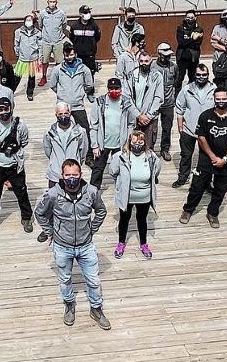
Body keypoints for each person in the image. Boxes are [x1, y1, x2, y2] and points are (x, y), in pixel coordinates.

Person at [34, 159, 110, 329]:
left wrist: (92, 229)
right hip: (62, 245)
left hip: (86, 244)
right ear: (62, 176)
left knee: (93, 280)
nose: (71, 178)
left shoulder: (91, 191)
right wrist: (50, 232)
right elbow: (39, 213)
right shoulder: (53, 194)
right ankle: (69, 305)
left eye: (74, 175)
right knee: (65, 279)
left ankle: (96, 308)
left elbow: (101, 211)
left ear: (81, 175)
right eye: (68, 175)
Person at [179, 88, 227, 229]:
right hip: (206, 159)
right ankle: (188, 209)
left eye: (223, 99)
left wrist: (224, 159)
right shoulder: (205, 116)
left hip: (226, 161)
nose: (220, 102)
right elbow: (201, 138)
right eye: (218, 99)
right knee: (197, 186)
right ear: (214, 99)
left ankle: (213, 213)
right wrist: (212, 156)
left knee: (220, 189)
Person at [0, 97, 34, 237]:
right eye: (1, 109)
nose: (4, 112)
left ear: (11, 108)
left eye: (6, 109)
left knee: (22, 193)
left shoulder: (20, 126)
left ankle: (26, 218)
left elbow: (24, 141)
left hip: (15, 165)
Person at [107, 129, 159, 260]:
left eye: (141, 141)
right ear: (129, 142)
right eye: (134, 141)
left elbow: (156, 171)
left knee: (142, 219)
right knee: (124, 219)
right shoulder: (120, 156)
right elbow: (113, 171)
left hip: (144, 195)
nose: (137, 144)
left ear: (145, 142)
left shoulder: (151, 157)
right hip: (127, 195)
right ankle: (121, 243)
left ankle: (143, 244)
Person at [172, 63, 216, 191]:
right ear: (194, 75)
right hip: (189, 128)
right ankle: (183, 177)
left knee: (206, 157)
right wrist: (180, 127)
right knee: (186, 155)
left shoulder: (214, 89)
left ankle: (206, 181)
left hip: (207, 131)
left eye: (204, 75)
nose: (201, 77)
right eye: (198, 75)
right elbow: (179, 108)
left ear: (208, 75)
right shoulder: (187, 89)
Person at [88, 78, 138, 189]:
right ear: (107, 89)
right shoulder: (99, 102)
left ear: (121, 89)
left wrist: (127, 142)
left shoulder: (126, 102)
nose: (114, 90)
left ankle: (123, 190)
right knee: (97, 169)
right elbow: (93, 125)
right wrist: (95, 145)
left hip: (120, 144)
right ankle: (92, 192)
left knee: (122, 169)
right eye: (111, 88)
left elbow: (131, 124)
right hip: (103, 144)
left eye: (116, 88)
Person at [48, 43, 95, 139]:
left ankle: (89, 153)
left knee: (85, 130)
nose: (69, 57)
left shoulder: (84, 69)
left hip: (78, 105)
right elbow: (52, 84)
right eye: (66, 55)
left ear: (76, 54)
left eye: (71, 55)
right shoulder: (57, 70)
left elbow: (89, 85)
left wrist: (80, 92)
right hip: (63, 107)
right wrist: (62, 93)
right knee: (62, 130)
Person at [42, 102, 90, 191]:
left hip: (72, 175)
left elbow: (83, 151)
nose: (63, 116)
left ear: (70, 113)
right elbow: (47, 149)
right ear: (56, 115)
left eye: (66, 113)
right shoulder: (49, 132)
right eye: (60, 114)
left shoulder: (80, 132)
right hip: (55, 174)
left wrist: (76, 163)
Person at [124, 49, 165, 147]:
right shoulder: (131, 75)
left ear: (151, 61)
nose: (144, 64)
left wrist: (148, 116)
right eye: (141, 61)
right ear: (138, 61)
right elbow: (126, 97)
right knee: (132, 146)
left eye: (146, 61)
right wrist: (138, 115)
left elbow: (158, 98)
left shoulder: (157, 76)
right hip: (133, 118)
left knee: (148, 147)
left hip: (149, 119)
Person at [37, 0, 69, 82]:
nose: (52, 3)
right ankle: (43, 76)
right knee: (44, 60)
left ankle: (59, 76)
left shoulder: (61, 13)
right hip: (46, 41)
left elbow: (64, 25)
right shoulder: (43, 13)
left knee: (59, 61)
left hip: (57, 41)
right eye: (50, 1)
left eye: (54, 2)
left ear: (56, 2)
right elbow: (40, 25)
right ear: (47, 2)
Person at [154, 43, 178, 160]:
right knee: (152, 128)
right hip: (155, 103)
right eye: (165, 56)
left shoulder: (174, 67)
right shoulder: (153, 67)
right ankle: (150, 149)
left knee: (167, 128)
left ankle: (165, 149)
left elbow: (176, 83)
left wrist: (175, 98)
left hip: (169, 102)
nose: (168, 58)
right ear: (159, 54)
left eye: (169, 56)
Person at [12, 13, 43, 99]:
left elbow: (40, 46)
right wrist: (17, 53)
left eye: (30, 20)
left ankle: (30, 93)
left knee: (32, 77)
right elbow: (16, 44)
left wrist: (40, 57)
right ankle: (11, 91)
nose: (28, 22)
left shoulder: (38, 33)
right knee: (17, 76)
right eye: (27, 20)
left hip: (33, 58)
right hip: (22, 58)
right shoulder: (18, 31)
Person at [174, 12, 204, 92]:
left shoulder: (199, 29)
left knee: (193, 78)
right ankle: (177, 96)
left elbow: (197, 45)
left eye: (191, 17)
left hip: (193, 58)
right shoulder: (180, 28)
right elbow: (181, 42)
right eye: (188, 17)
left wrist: (187, 40)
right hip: (182, 57)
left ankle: (191, 95)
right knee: (179, 78)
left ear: (195, 18)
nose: (190, 19)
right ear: (185, 18)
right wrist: (193, 39)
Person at [69, 4, 102, 73]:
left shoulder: (94, 25)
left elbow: (97, 37)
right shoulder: (75, 26)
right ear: (80, 14)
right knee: (78, 72)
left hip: (90, 54)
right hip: (78, 54)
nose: (88, 14)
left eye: (89, 12)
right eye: (86, 13)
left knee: (90, 73)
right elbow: (72, 37)